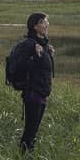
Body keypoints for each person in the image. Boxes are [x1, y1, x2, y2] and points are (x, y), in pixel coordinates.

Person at [16, 11, 55, 152]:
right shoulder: (30, 45)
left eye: (47, 21)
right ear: (35, 26)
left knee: (34, 129)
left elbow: (44, 70)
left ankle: (27, 156)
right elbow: (24, 67)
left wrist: (48, 55)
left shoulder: (43, 44)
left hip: (42, 93)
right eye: (43, 22)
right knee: (30, 130)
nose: (47, 24)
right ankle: (24, 158)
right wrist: (36, 57)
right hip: (33, 94)